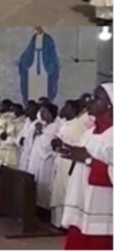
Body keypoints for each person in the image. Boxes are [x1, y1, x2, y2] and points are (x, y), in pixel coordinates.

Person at [59, 83, 112, 249]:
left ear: (110, 104)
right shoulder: (88, 132)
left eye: (97, 98)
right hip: (81, 200)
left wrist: (88, 160)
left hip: (102, 205)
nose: (90, 101)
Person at [50, 99, 95, 227]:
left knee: (68, 193)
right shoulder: (71, 123)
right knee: (59, 192)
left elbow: (80, 144)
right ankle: (58, 223)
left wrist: (63, 145)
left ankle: (67, 223)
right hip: (63, 160)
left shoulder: (81, 123)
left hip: (72, 163)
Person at [27, 103, 61, 208]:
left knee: (43, 187)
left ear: (51, 114)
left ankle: (43, 208)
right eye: (41, 111)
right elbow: (31, 141)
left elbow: (48, 145)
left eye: (45, 111)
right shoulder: (42, 125)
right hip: (35, 159)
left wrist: (40, 132)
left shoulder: (55, 127)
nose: (42, 114)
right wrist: (35, 133)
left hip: (45, 161)